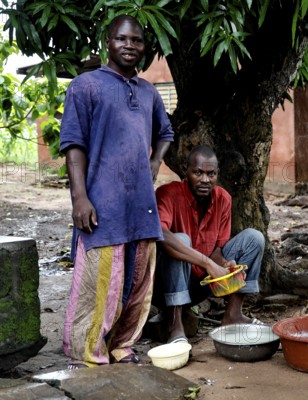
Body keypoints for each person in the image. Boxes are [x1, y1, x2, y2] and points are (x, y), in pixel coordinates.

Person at [60, 15, 174, 368]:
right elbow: (73, 144)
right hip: (102, 204)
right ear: (107, 43)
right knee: (101, 285)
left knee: (137, 284)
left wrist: (155, 162)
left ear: (144, 47)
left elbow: (165, 131)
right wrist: (80, 197)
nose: (130, 46)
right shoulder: (86, 85)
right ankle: (87, 351)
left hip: (141, 207)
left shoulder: (148, 91)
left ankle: (122, 345)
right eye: (122, 39)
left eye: (137, 41)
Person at [152, 144, 265, 344]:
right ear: (185, 171)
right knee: (180, 240)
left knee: (254, 238)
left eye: (211, 174)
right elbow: (160, 234)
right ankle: (175, 325)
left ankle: (233, 315)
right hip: (165, 287)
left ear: (217, 174)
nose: (205, 180)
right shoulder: (167, 193)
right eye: (198, 173)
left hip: (201, 285)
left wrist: (225, 264)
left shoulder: (223, 198)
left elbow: (217, 250)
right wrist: (208, 264)